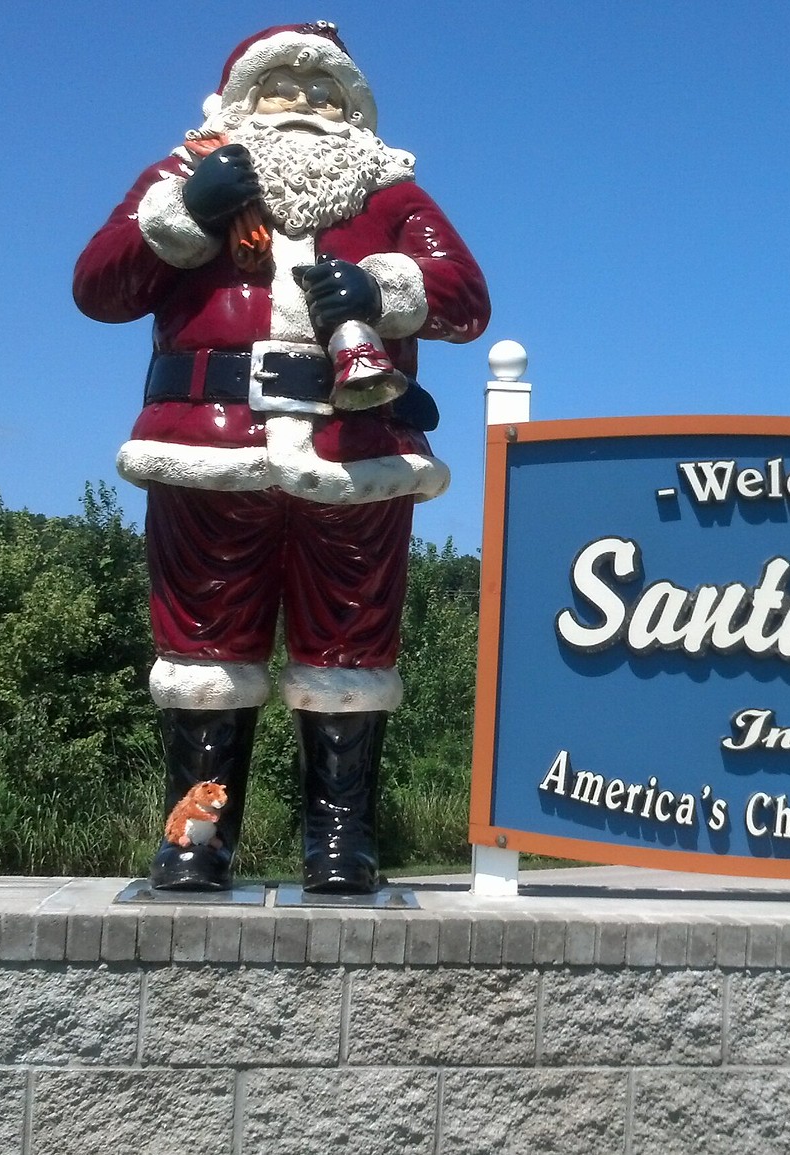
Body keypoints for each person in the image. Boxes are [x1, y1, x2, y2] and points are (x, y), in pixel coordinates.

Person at [74, 22, 490, 893]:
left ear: (355, 114)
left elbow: (466, 297)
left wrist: (383, 288)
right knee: (201, 648)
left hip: (355, 449)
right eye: (279, 90)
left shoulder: (391, 195)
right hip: (207, 441)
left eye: (323, 95)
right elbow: (100, 286)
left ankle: (340, 837)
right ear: (235, 104)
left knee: (350, 645)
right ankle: (197, 834)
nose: (301, 107)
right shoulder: (183, 180)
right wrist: (189, 211)